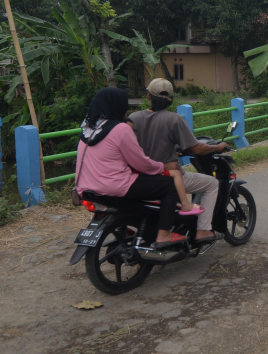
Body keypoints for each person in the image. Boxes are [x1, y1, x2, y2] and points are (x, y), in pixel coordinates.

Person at [75, 87, 183, 249]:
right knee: (169, 186)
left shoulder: (88, 128)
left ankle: (131, 226)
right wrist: (163, 166)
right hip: (115, 186)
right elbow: (141, 163)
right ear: (116, 106)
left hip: (86, 187)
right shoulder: (120, 129)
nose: (126, 109)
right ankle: (164, 234)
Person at [128, 79, 229, 244]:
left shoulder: (133, 117)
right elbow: (197, 149)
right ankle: (203, 230)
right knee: (212, 183)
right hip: (168, 175)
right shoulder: (174, 119)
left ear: (148, 97)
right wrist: (218, 147)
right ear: (172, 99)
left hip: (143, 176)